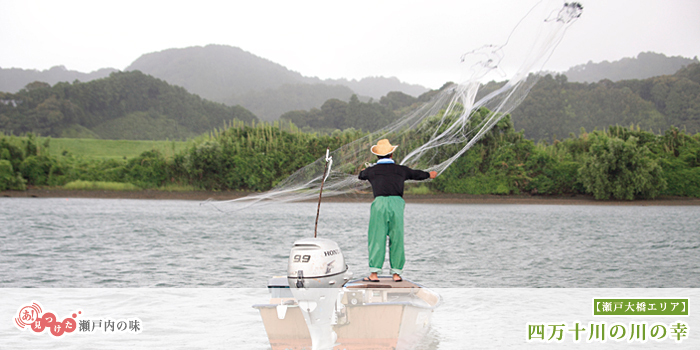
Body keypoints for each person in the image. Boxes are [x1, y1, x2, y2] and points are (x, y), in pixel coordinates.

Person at [358, 139, 437, 282]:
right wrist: (430, 175)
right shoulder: (401, 170)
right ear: (391, 155)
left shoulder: (372, 171)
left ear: (377, 156)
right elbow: (416, 174)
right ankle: (396, 274)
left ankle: (374, 274)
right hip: (397, 204)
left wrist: (365, 171)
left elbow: (361, 175)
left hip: (380, 203)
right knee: (397, 238)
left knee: (377, 237)